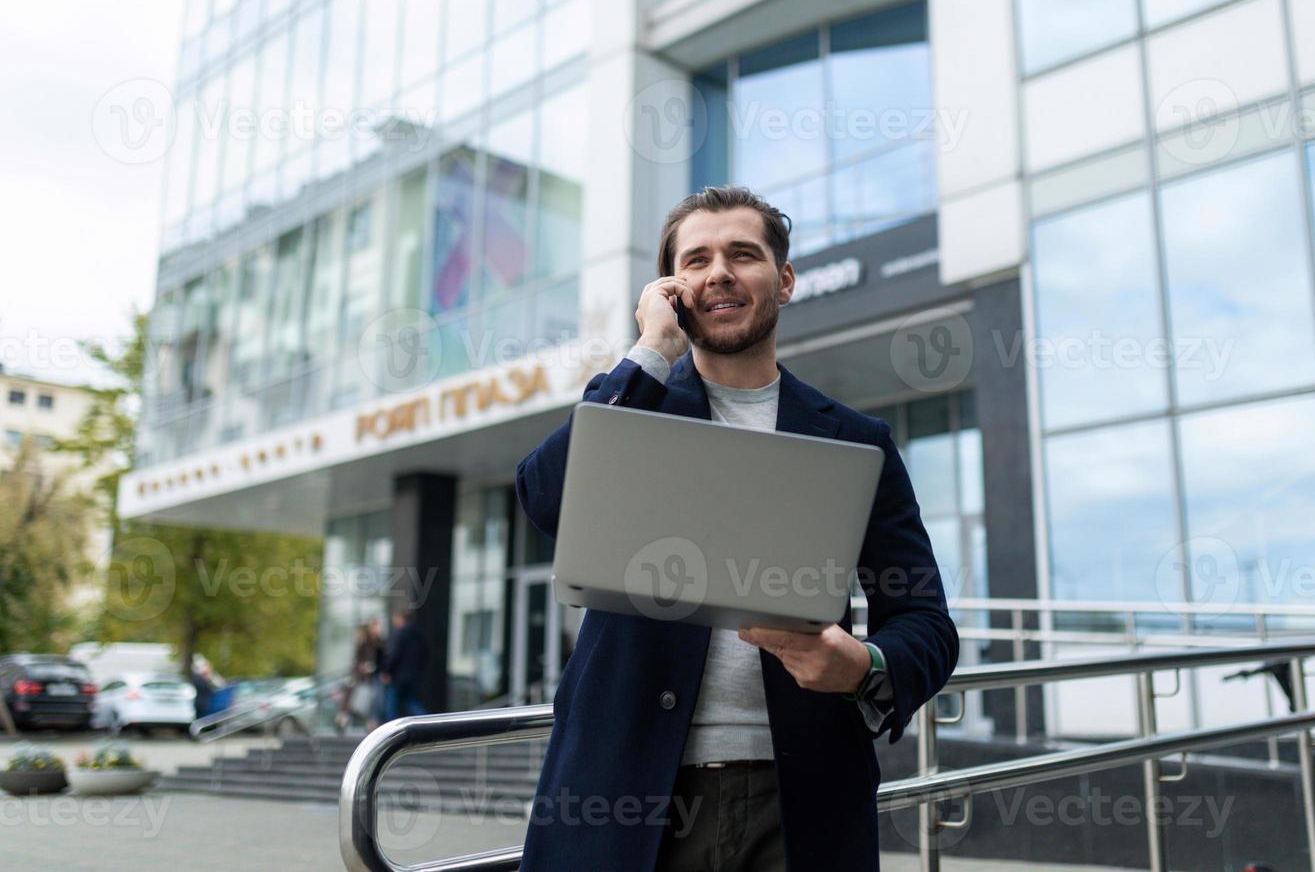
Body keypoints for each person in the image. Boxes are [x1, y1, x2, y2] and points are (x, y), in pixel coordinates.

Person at [515, 186, 959, 872]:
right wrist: (649, 351)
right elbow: (544, 497)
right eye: (696, 260)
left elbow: (927, 623)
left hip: (800, 802)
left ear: (782, 281)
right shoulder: (637, 404)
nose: (718, 271)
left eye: (742, 254)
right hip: (626, 798)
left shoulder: (855, 441)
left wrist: (863, 666)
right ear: (672, 289)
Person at [380, 609, 428, 720]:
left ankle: (392, 733)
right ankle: (427, 723)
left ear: (400, 619)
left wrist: (386, 670)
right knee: (412, 702)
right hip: (413, 676)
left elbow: (393, 655)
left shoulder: (399, 634)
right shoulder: (418, 635)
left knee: (390, 708)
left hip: (397, 676)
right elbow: (425, 655)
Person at [337, 620, 384, 731]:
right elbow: (358, 660)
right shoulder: (364, 642)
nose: (377, 630)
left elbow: (382, 657)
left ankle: (370, 723)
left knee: (374, 700)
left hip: (373, 677)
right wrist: (363, 667)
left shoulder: (378, 642)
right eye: (375, 627)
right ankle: (345, 718)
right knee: (361, 699)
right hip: (363, 677)